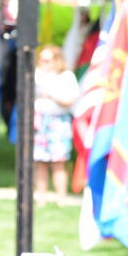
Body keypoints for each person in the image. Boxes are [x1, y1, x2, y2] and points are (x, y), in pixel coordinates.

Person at [32, 44, 79, 204]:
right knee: (40, 161)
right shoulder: (35, 75)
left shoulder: (66, 77)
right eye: (41, 59)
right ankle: (41, 197)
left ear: (56, 60)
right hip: (39, 121)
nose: (43, 62)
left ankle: (61, 198)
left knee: (58, 161)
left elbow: (70, 100)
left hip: (58, 122)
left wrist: (51, 95)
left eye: (47, 60)